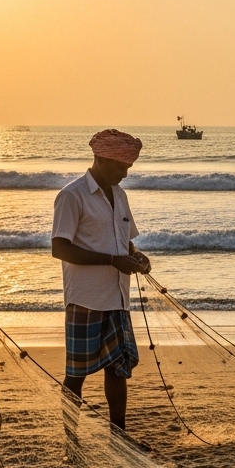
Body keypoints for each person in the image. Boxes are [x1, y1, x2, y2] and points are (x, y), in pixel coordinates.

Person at [51, 129, 151, 430]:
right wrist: (112, 260)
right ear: (99, 159)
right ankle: (71, 438)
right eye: (120, 166)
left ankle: (119, 433)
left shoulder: (120, 196)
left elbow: (124, 242)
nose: (124, 173)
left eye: (128, 168)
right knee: (76, 374)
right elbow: (60, 248)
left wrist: (137, 257)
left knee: (118, 369)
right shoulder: (72, 195)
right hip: (86, 299)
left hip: (118, 298)